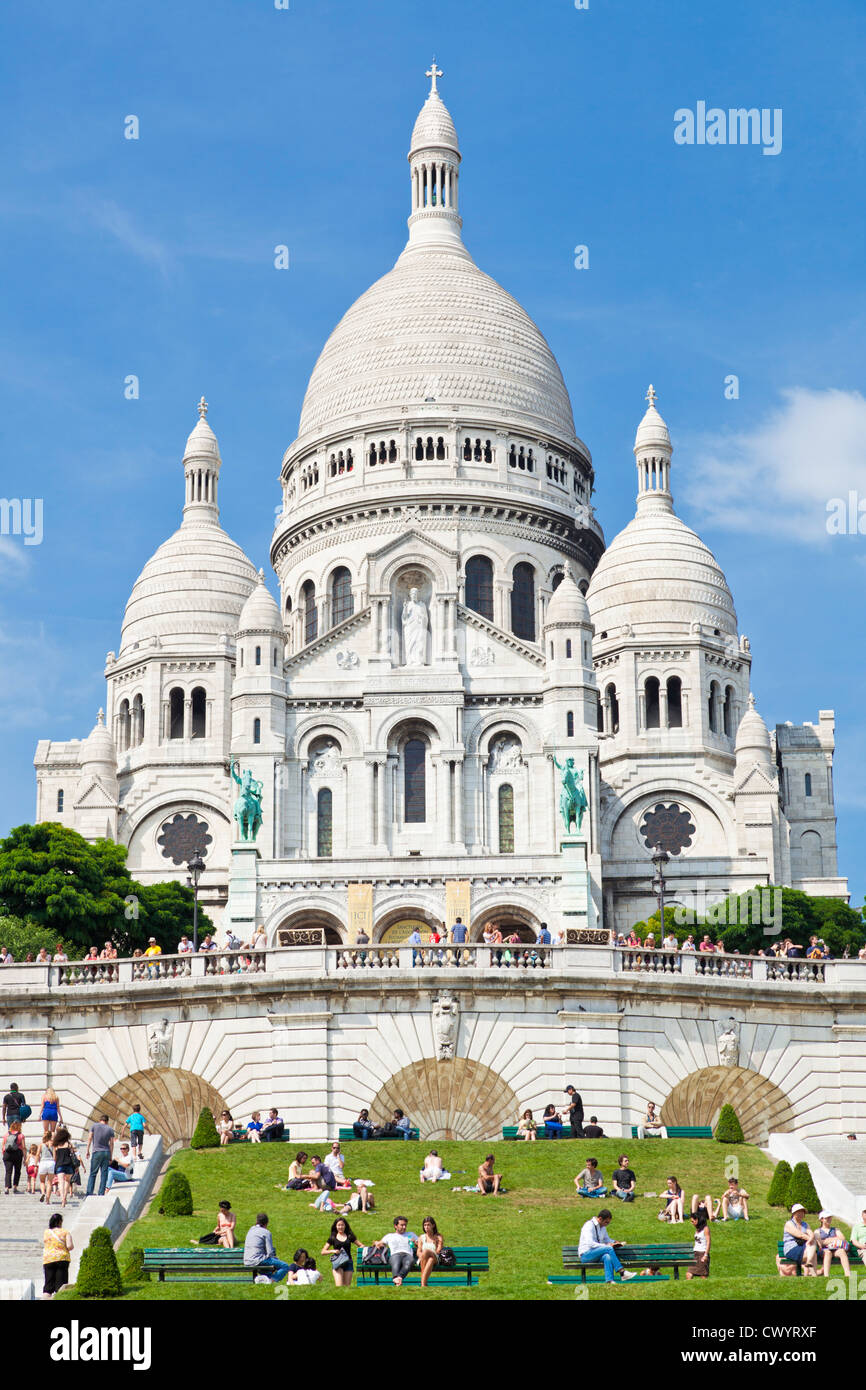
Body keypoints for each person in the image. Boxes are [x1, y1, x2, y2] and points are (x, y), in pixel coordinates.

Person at [578, 1209, 636, 1283]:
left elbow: (606, 1239)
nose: (607, 1224)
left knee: (607, 1256)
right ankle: (622, 1272)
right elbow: (590, 1243)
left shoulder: (602, 1227)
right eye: (606, 1222)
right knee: (608, 1248)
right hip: (586, 1255)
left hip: (595, 1254)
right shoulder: (589, 1225)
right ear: (600, 1219)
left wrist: (615, 1242)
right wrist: (606, 1245)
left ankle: (609, 1280)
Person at [371, 1216, 417, 1287]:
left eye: (405, 1225)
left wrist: (416, 1243)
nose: (404, 1227)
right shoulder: (390, 1236)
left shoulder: (411, 1234)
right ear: (395, 1226)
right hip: (395, 1254)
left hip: (407, 1255)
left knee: (409, 1261)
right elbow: (379, 1243)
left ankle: (398, 1278)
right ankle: (397, 1278)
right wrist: (376, 1243)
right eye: (402, 1225)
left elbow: (420, 1244)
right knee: (396, 1262)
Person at [243, 1213, 290, 1283]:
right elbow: (270, 1252)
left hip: (247, 1261)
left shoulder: (251, 1230)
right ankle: (271, 1281)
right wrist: (275, 1259)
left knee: (267, 1269)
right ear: (266, 1223)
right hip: (258, 1260)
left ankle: (264, 1280)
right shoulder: (266, 1232)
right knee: (285, 1266)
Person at [779, 1203, 818, 1276]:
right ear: (794, 1213)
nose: (801, 1214)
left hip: (804, 1247)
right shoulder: (789, 1224)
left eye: (802, 1212)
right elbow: (800, 1235)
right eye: (798, 1212)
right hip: (791, 1248)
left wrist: (811, 1239)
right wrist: (811, 1240)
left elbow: (811, 1233)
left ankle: (813, 1273)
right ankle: (813, 1272)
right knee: (812, 1250)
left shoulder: (805, 1224)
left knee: (813, 1252)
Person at [42, 1212, 73, 1299]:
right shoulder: (65, 1232)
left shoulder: (46, 1232)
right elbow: (69, 1246)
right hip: (62, 1259)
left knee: (48, 1287)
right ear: (60, 1222)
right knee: (60, 1286)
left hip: (48, 1259)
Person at [322, 1215, 359, 1287]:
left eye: (342, 1225)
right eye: (338, 1225)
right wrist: (333, 1251)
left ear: (345, 1226)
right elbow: (323, 1251)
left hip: (348, 1262)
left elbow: (360, 1245)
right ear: (335, 1226)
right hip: (338, 1263)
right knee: (339, 1287)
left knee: (347, 1287)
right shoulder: (333, 1237)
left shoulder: (349, 1236)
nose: (340, 1227)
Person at [84, 1113, 115, 1197]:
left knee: (93, 1173)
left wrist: (87, 1150)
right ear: (107, 1121)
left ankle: (89, 1193)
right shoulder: (110, 1129)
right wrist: (111, 1156)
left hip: (96, 1152)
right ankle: (101, 1193)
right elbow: (112, 1143)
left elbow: (90, 1138)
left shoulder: (94, 1126)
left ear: (100, 1120)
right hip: (106, 1152)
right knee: (104, 1174)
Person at [815, 1211, 851, 1277]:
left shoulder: (835, 1229)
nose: (829, 1219)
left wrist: (827, 1240)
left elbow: (842, 1238)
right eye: (827, 1218)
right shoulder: (817, 1231)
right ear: (821, 1219)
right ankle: (826, 1275)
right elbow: (820, 1242)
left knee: (842, 1251)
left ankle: (848, 1274)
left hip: (835, 1249)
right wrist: (835, 1239)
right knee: (828, 1253)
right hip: (824, 1250)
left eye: (830, 1218)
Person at [51, 1126, 77, 1207]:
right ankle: (65, 1197)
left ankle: (62, 1199)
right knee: (67, 1182)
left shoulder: (56, 1146)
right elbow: (73, 1153)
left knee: (60, 1182)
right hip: (69, 1164)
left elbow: (54, 1158)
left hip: (60, 1165)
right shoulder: (69, 1144)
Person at [418, 1215, 444, 1288]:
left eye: (428, 1225)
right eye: (425, 1225)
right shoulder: (421, 1237)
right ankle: (424, 1284)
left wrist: (427, 1252)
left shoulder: (438, 1237)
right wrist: (422, 1256)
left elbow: (438, 1251)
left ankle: (422, 1283)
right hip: (424, 1259)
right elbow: (418, 1251)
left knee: (426, 1252)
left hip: (436, 1257)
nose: (426, 1227)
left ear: (433, 1225)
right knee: (430, 1260)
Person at [686, 1211, 711, 1279]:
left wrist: (705, 1255)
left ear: (697, 1220)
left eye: (692, 1221)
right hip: (695, 1253)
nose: (692, 1223)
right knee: (689, 1273)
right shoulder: (697, 1229)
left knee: (703, 1275)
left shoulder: (706, 1229)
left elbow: (708, 1242)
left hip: (702, 1253)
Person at [3, 1120, 25, 1194]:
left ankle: (6, 1188)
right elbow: (23, 1147)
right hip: (17, 1154)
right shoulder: (21, 1135)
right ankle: (15, 1187)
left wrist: (4, 1153)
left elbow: (3, 1145)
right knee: (17, 1170)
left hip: (7, 1154)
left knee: (8, 1171)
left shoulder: (6, 1135)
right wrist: (25, 1157)